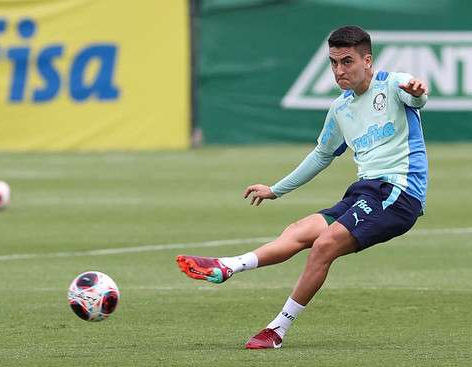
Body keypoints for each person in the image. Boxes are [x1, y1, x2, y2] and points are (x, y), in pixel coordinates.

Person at [176, 25, 429, 349]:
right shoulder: (340, 109)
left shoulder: (393, 85)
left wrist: (419, 91)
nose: (339, 70)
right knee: (298, 231)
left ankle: (277, 330)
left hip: (399, 192)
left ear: (367, 60)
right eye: (334, 62)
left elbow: (417, 96)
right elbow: (322, 155)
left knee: (324, 244)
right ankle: (229, 265)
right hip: (366, 191)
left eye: (347, 61)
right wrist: (276, 189)